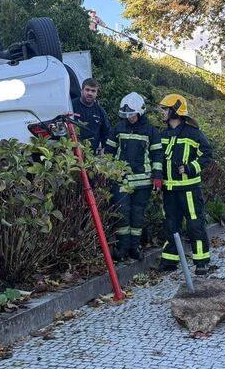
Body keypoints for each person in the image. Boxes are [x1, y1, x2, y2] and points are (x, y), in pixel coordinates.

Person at [157, 93, 214, 276]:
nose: (162, 112)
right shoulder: (163, 134)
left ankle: (201, 261)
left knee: (195, 224)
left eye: (165, 109)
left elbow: (207, 155)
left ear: (175, 111)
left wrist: (190, 168)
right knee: (170, 225)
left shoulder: (193, 133)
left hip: (189, 189)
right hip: (169, 189)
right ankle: (170, 260)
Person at [104, 92, 163, 261]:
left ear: (140, 112)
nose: (129, 118)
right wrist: (107, 172)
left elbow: (157, 155)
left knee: (137, 214)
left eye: (132, 114)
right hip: (121, 180)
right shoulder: (117, 129)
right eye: (127, 115)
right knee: (122, 213)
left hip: (143, 181)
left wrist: (157, 176)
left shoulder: (151, 131)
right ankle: (122, 247)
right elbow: (109, 153)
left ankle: (135, 247)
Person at [72, 78, 110, 154]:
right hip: (72, 153)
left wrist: (104, 149)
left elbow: (106, 133)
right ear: (81, 90)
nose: (90, 93)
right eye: (87, 90)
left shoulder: (100, 111)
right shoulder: (71, 106)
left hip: (91, 156)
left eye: (93, 91)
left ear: (96, 93)